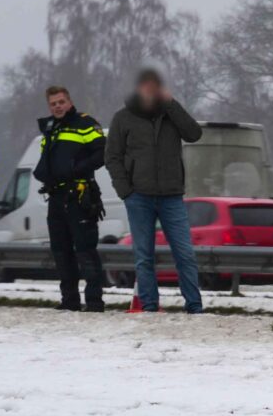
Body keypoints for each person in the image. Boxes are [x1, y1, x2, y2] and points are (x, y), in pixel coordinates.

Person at [104, 68, 205, 313]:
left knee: (185, 254)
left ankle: (194, 306)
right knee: (144, 256)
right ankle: (149, 307)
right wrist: (125, 190)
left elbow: (194, 134)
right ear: (139, 88)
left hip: (171, 196)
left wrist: (172, 104)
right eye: (146, 86)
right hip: (138, 197)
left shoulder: (171, 113)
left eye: (155, 86)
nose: (151, 90)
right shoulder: (123, 118)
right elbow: (112, 157)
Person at [34, 85, 107, 311]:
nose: (57, 106)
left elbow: (102, 152)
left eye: (61, 102)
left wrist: (77, 169)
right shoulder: (50, 128)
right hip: (56, 196)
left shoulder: (85, 123)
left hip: (79, 195)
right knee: (61, 251)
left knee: (85, 250)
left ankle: (94, 302)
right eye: (53, 103)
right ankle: (69, 301)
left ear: (69, 101)